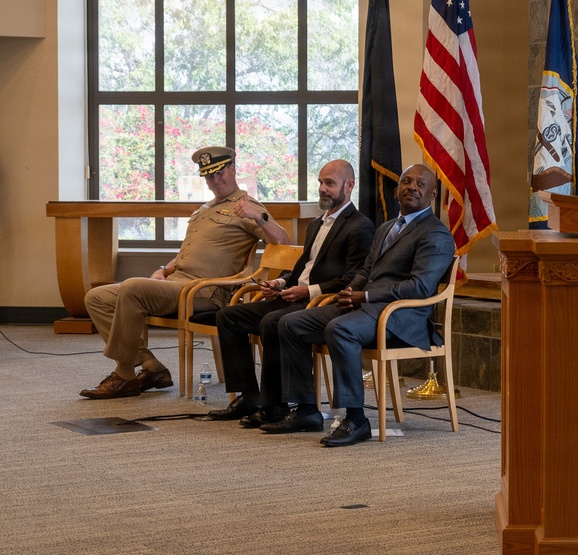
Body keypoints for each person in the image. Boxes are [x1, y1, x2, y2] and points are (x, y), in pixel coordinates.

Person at [263, 164, 455, 445]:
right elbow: (367, 270)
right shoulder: (387, 227)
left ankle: (356, 419)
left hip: (401, 315)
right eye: (406, 181)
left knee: (341, 330)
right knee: (290, 323)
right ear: (396, 190)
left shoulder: (435, 234)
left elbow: (420, 287)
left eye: (421, 184)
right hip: (366, 307)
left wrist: (364, 296)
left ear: (433, 194)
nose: (412, 187)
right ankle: (305, 410)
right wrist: (352, 288)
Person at [81, 146, 291, 400]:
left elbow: (283, 242)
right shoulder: (205, 209)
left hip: (204, 291)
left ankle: (124, 375)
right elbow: (188, 254)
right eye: (209, 176)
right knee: (97, 297)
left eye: (220, 173)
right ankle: (151, 367)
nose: (215, 180)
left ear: (233, 170)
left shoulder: (246, 207)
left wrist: (261, 218)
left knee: (133, 287)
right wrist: (163, 270)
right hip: (176, 283)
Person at [205, 160, 375, 426]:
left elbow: (353, 280)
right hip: (295, 295)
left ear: (349, 185)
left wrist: (309, 291)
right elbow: (302, 268)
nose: (322, 189)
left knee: (273, 322)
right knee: (229, 316)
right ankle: (251, 396)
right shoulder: (316, 224)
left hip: (319, 302)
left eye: (329, 183)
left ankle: (281, 406)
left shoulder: (360, 226)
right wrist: (281, 284)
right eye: (320, 182)